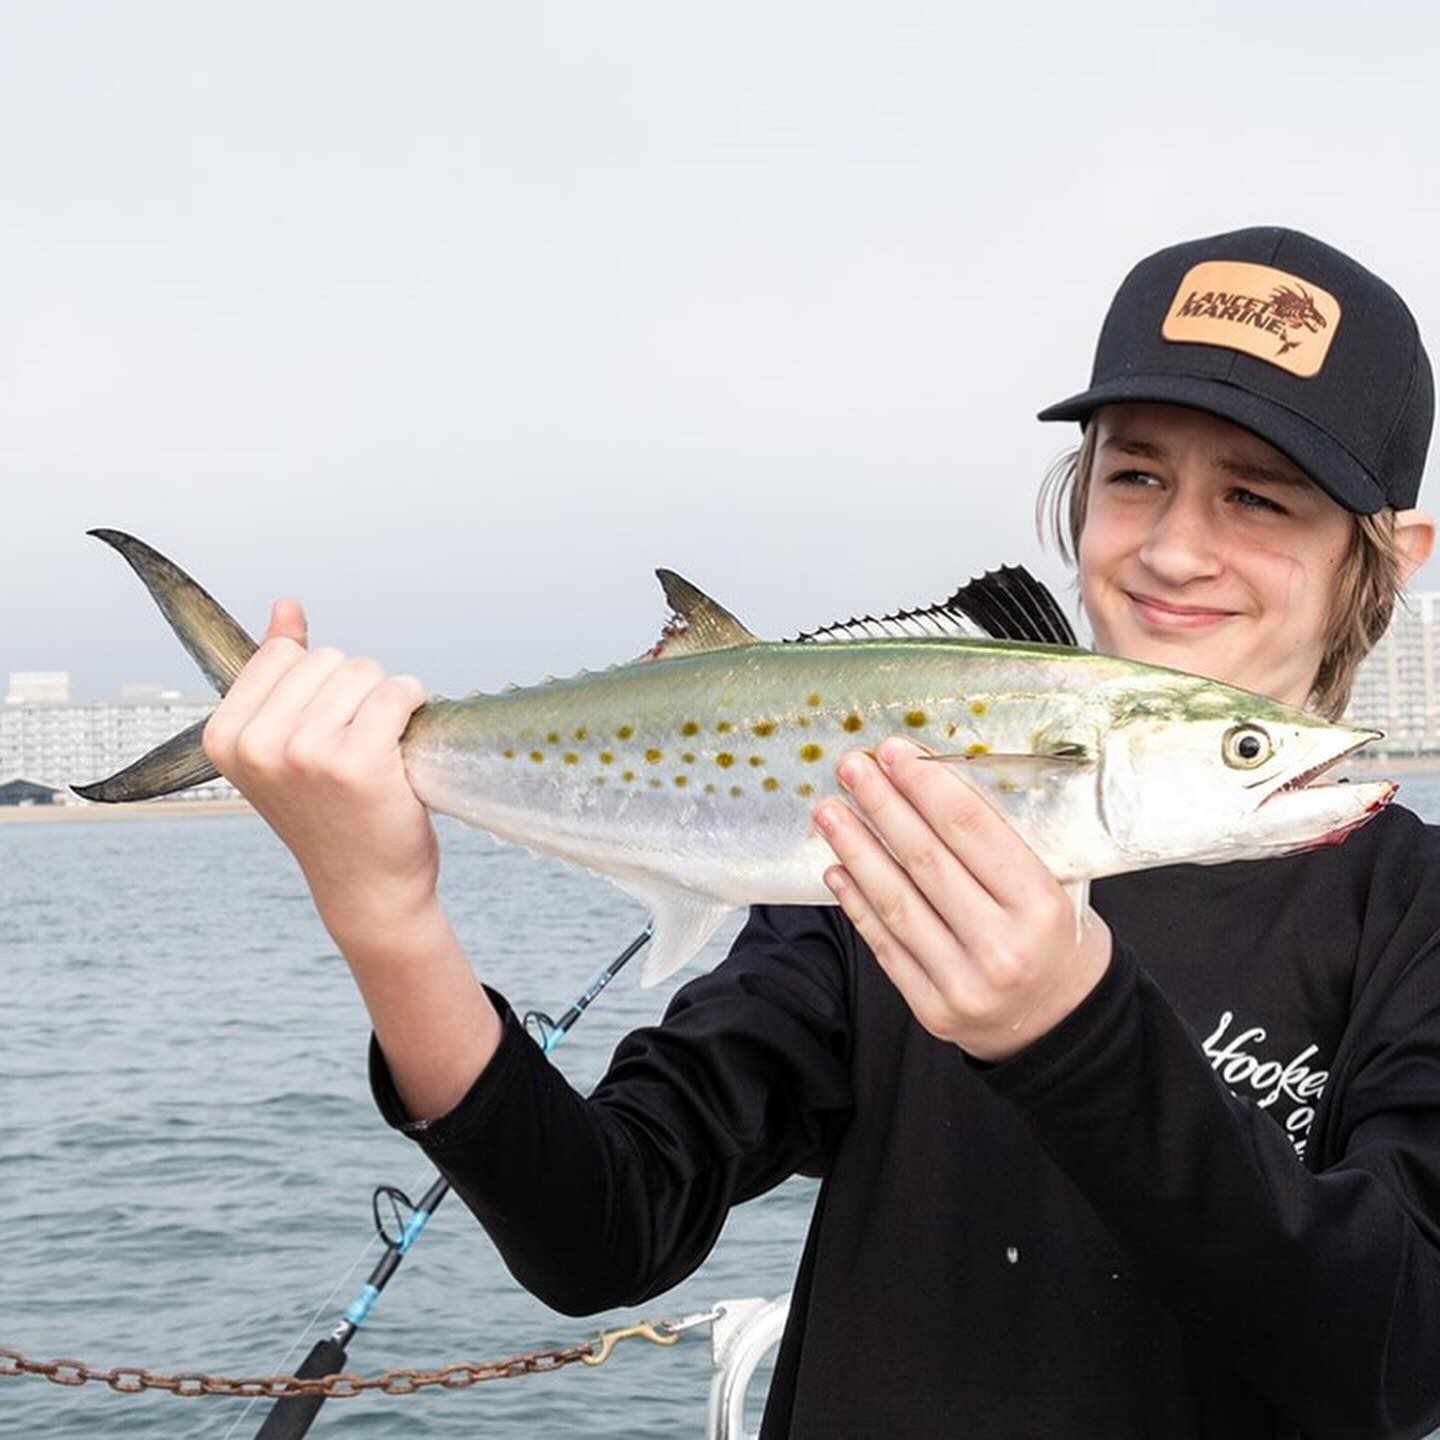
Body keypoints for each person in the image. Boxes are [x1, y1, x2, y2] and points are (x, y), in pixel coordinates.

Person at [203, 227, 1440, 1439]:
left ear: (1387, 555)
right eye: (1135, 475)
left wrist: (1071, 1029)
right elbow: (605, 1226)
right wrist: (384, 914)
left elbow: (1394, 1360)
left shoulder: (1412, 917)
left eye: (1258, 499)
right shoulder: (880, 846)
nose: (1175, 546)